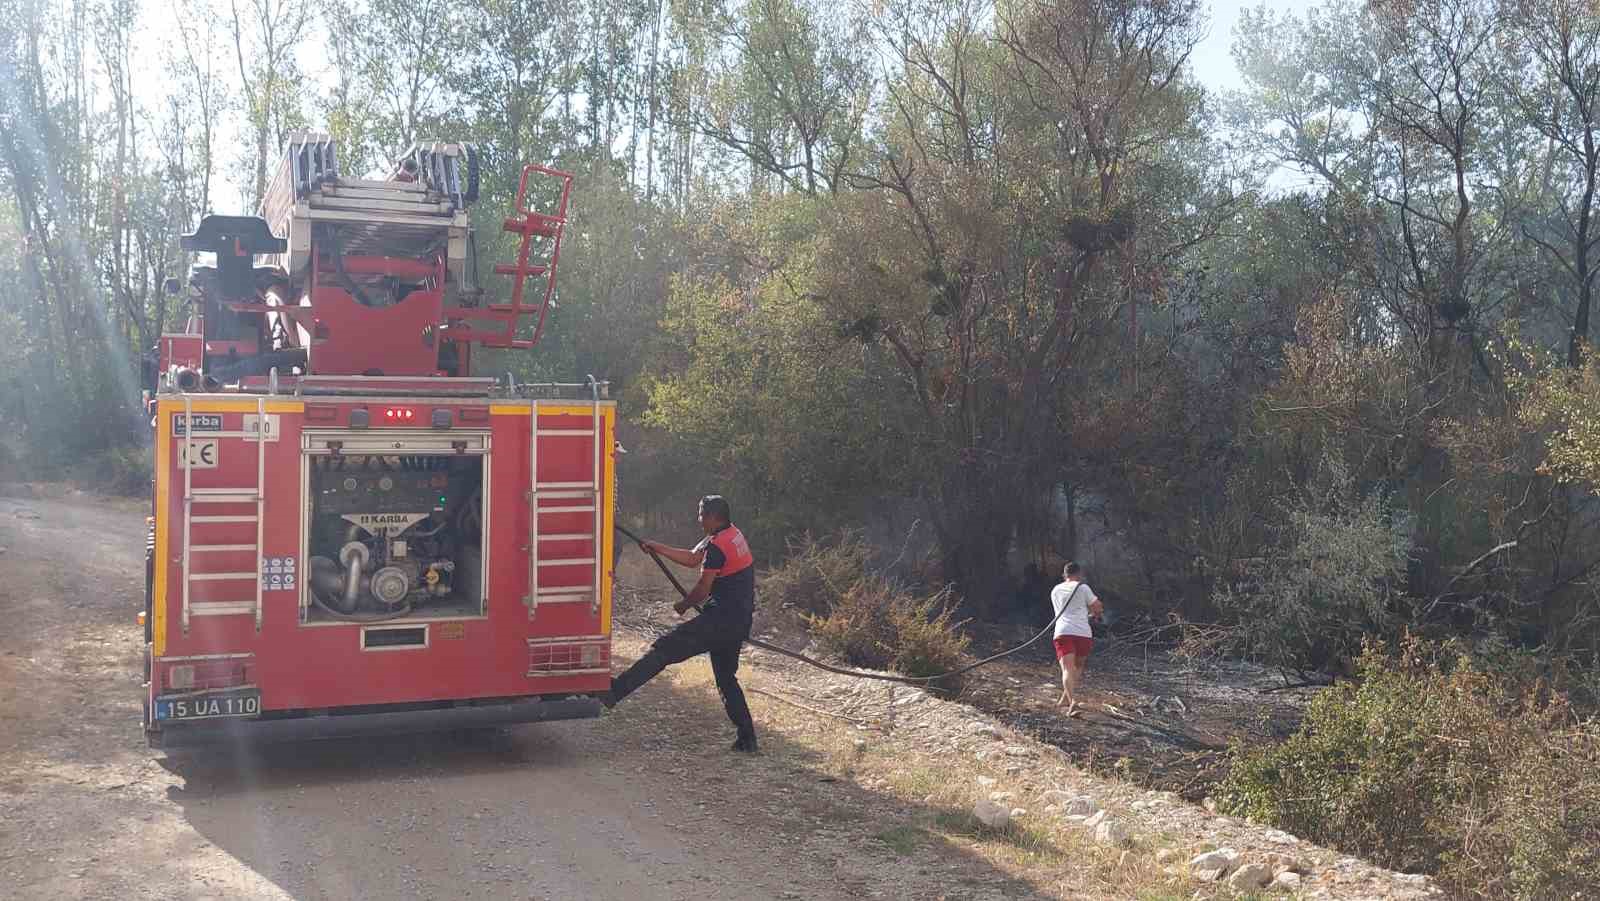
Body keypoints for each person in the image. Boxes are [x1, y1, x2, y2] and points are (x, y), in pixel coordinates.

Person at [604, 495, 759, 752]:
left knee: (664, 649)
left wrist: (684, 605)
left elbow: (703, 587)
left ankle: (614, 692)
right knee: (726, 679)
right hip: (738, 621)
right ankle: (747, 739)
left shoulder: (718, 546)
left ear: (711, 517)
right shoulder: (730, 534)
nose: (698, 520)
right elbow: (691, 558)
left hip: (720, 621)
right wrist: (657, 547)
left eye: (701, 515)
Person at [1049, 561, 1103, 717]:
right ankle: (1072, 702)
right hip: (1083, 633)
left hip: (1063, 632)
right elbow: (1097, 607)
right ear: (1079, 574)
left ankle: (1067, 699)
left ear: (1064, 575)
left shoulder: (1055, 590)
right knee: (1077, 667)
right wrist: (1095, 613)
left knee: (1067, 668)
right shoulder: (1083, 587)